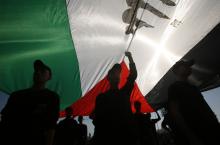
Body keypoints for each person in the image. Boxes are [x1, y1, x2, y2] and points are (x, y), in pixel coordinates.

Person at [0, 60, 60, 145]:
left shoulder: (52, 97)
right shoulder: (16, 96)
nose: (38, 72)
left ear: (49, 77)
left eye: (42, 71)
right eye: (36, 70)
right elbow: (5, 120)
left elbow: (51, 125)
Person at [167, 59, 220, 145]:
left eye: (188, 65)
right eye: (185, 65)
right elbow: (175, 113)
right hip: (199, 134)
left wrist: (215, 121)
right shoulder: (174, 88)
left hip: (212, 130)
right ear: (177, 71)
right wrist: (191, 137)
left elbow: (204, 106)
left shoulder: (193, 88)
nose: (189, 67)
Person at [94, 51, 138, 145]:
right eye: (113, 73)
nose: (116, 75)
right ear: (108, 78)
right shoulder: (101, 98)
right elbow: (98, 122)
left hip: (127, 138)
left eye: (118, 73)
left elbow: (133, 75)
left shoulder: (125, 92)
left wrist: (130, 57)